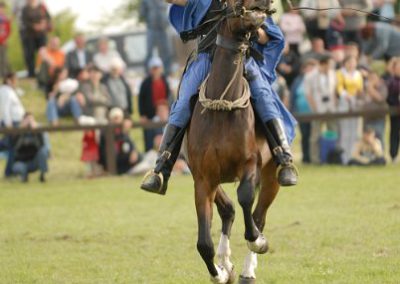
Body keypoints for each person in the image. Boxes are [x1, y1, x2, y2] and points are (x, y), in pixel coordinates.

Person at [141, 0, 298, 195]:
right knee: (182, 104)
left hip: (241, 58)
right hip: (206, 58)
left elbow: (269, 38)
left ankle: (284, 159)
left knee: (265, 97)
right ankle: (161, 170)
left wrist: (255, 27)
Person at [304, 55, 338, 164]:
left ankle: (332, 157)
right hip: (317, 108)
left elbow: (335, 91)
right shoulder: (310, 76)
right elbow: (308, 94)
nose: (331, 67)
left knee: (333, 132)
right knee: (315, 135)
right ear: (323, 64)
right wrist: (314, 108)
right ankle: (315, 159)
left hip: (331, 108)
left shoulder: (333, 74)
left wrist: (335, 103)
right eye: (329, 64)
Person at [139, 57, 172, 152]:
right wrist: (143, 115)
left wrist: (169, 109)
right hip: (151, 114)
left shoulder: (165, 80)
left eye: (158, 68)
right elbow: (141, 100)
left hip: (164, 111)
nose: (156, 70)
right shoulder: (146, 83)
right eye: (154, 68)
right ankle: (149, 153)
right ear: (150, 70)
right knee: (150, 135)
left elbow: (169, 96)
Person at [336, 55, 364, 164]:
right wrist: (346, 95)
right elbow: (339, 87)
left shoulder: (358, 74)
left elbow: (360, 89)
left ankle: (351, 156)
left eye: (353, 62)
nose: (352, 64)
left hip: (356, 103)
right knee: (344, 131)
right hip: (344, 102)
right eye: (349, 62)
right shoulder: (340, 73)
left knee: (354, 131)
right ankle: (343, 157)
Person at [291, 59, 318, 164]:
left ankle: (314, 157)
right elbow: (293, 96)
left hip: (314, 113)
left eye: (312, 67)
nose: (309, 70)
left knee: (314, 136)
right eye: (308, 67)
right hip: (301, 113)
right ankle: (306, 158)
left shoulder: (316, 80)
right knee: (305, 135)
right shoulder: (298, 81)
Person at [99, 108, 141, 175]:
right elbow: (110, 154)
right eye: (115, 118)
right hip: (116, 165)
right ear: (111, 119)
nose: (117, 121)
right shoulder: (106, 132)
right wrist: (124, 133)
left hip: (126, 162)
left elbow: (130, 147)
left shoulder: (122, 131)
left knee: (144, 156)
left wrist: (134, 152)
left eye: (119, 118)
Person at [11, 113, 50, 182]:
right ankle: (24, 177)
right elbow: (14, 146)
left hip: (34, 162)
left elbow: (41, 145)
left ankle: (43, 175)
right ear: (23, 121)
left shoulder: (37, 132)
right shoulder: (18, 131)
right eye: (27, 120)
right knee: (21, 168)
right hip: (21, 162)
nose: (29, 122)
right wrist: (21, 131)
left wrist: (35, 132)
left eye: (31, 120)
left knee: (43, 151)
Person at [140, 0, 173, 75]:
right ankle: (148, 73)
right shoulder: (145, 1)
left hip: (163, 29)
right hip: (151, 29)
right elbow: (142, 13)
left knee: (167, 51)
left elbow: (170, 9)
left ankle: (167, 72)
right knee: (149, 51)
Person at [21, 0, 51, 77]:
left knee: (43, 53)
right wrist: (34, 26)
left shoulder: (41, 6)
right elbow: (24, 21)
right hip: (30, 35)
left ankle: (46, 72)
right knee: (30, 54)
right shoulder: (25, 9)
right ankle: (31, 74)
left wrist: (43, 24)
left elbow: (48, 17)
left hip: (41, 34)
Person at [364, 71, 388, 145]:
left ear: (378, 79)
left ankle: (380, 156)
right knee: (367, 140)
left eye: (374, 78)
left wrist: (370, 88)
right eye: (370, 78)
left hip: (378, 119)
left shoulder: (382, 87)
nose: (372, 80)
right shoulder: (365, 88)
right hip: (367, 119)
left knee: (379, 139)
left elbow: (380, 98)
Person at [386, 57, 400, 162]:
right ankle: (393, 155)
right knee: (394, 132)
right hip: (395, 111)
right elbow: (388, 97)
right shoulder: (391, 81)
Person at [0, 2, 11, 78]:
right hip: (1, 41)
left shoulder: (5, 19)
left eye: (2, 8)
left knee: (4, 58)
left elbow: (8, 31)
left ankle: (5, 74)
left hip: (3, 42)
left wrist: (5, 40)